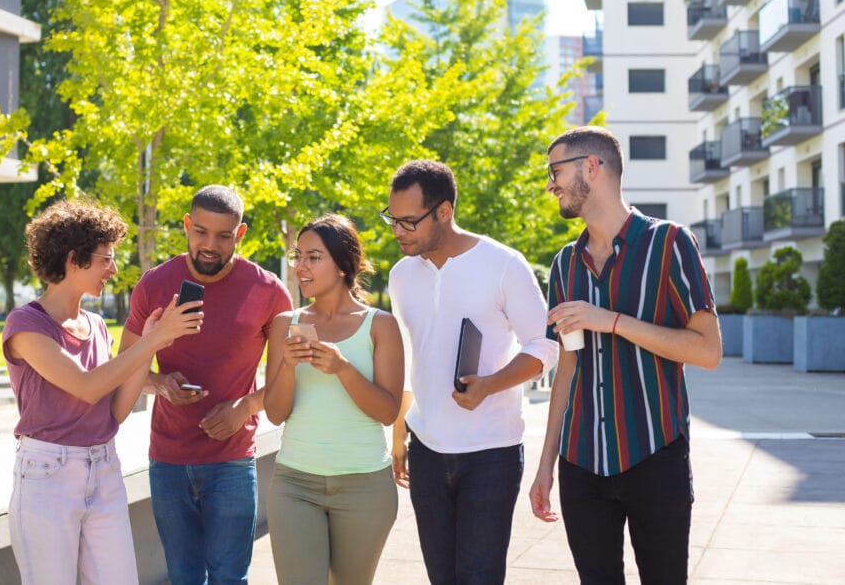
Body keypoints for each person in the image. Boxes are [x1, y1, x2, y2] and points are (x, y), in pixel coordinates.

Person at [530, 126, 722, 584]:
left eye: (555, 171)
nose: (550, 184)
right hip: (580, 465)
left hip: (655, 456)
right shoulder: (564, 264)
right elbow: (568, 367)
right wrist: (545, 466)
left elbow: (709, 351)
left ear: (591, 167)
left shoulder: (671, 243)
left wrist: (612, 321)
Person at [3, 199, 203, 584]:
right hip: (47, 475)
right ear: (74, 259)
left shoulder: (96, 325)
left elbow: (115, 410)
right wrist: (154, 339)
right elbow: (85, 387)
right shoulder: (25, 325)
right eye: (105, 259)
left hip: (104, 467)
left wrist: (152, 343)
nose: (113, 269)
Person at [385, 159, 558, 584]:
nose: (398, 231)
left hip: (491, 453)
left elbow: (545, 345)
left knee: (478, 577)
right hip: (425, 449)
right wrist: (397, 438)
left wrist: (491, 385)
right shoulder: (401, 275)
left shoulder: (504, 264)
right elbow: (408, 358)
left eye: (409, 222)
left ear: (444, 211)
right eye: (392, 219)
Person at [120, 185, 292, 585]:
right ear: (186, 226)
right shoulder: (155, 284)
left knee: (230, 578)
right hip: (168, 458)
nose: (210, 245)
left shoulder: (268, 292)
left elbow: (288, 380)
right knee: (183, 578)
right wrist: (161, 383)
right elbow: (123, 369)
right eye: (200, 232)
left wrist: (244, 408)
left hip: (232, 460)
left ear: (241, 233)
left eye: (223, 235)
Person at [263, 214, 405, 585]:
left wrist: (343, 369)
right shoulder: (284, 324)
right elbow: (275, 414)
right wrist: (289, 367)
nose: (300, 267)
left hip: (365, 488)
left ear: (343, 265)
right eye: (298, 256)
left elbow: (388, 412)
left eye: (314, 257)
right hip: (295, 483)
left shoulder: (380, 325)